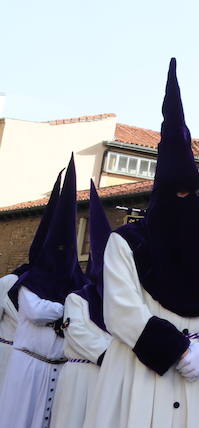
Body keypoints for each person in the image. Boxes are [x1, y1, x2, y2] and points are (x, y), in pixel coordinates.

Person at [85, 60, 199, 428]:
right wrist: (178, 350)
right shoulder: (125, 244)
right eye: (176, 193)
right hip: (141, 374)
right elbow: (123, 310)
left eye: (193, 194)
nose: (184, 200)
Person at [0, 156, 83, 427]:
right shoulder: (28, 281)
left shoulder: (77, 284)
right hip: (26, 366)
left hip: (59, 369)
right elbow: (36, 311)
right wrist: (69, 308)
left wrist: (68, 309)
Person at [48, 182, 113, 428]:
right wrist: (113, 355)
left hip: (107, 379)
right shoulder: (78, 298)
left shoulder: (123, 300)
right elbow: (78, 333)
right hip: (79, 378)